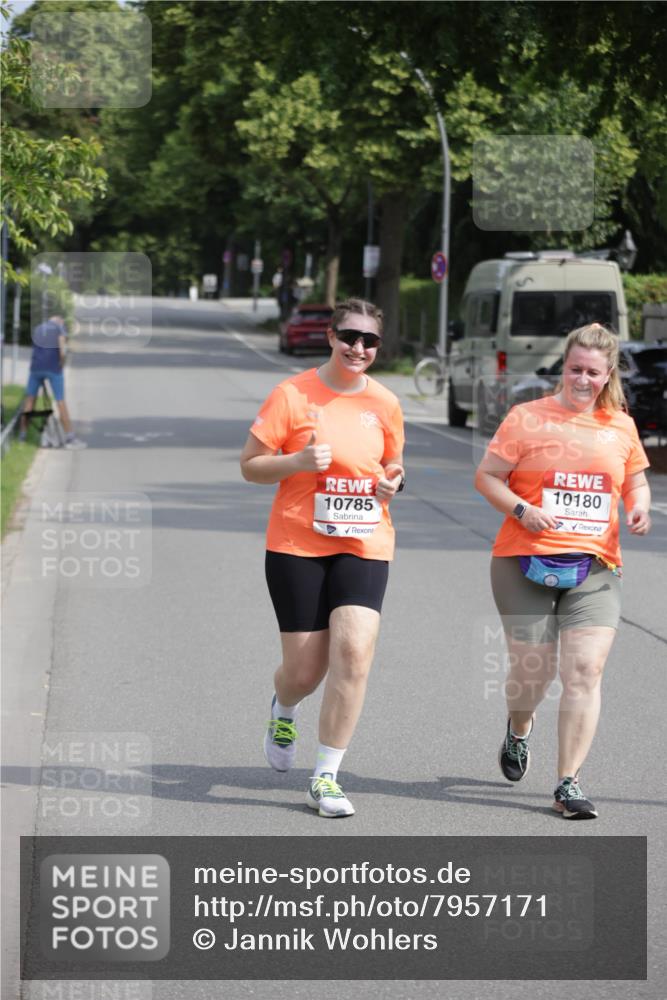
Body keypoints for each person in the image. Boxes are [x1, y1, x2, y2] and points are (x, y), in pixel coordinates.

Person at [475, 323, 651, 820]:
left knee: (585, 670)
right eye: (574, 368)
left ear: (607, 374)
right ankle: (519, 726)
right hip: (523, 558)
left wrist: (639, 507)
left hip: (596, 565)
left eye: (592, 372)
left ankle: (568, 782)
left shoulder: (620, 426)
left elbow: (635, 483)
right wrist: (521, 511)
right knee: (533, 670)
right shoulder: (527, 418)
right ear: (563, 368)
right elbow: (487, 477)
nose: (582, 379)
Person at [240, 298, 405, 817]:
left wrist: (393, 480)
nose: (359, 347)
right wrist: (295, 461)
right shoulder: (292, 394)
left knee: (355, 650)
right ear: (331, 337)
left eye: (369, 340)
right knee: (304, 671)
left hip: (364, 539)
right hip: (297, 544)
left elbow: (394, 460)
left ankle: (326, 776)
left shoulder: (385, 403)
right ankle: (283, 707)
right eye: (350, 336)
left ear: (379, 346)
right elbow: (250, 466)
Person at [20, 314, 86, 449]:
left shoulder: (38, 328)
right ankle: (70, 438)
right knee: (60, 401)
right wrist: (61, 364)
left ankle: (22, 435)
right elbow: (62, 351)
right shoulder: (59, 328)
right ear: (60, 322)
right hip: (53, 368)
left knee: (30, 401)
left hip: (36, 368)